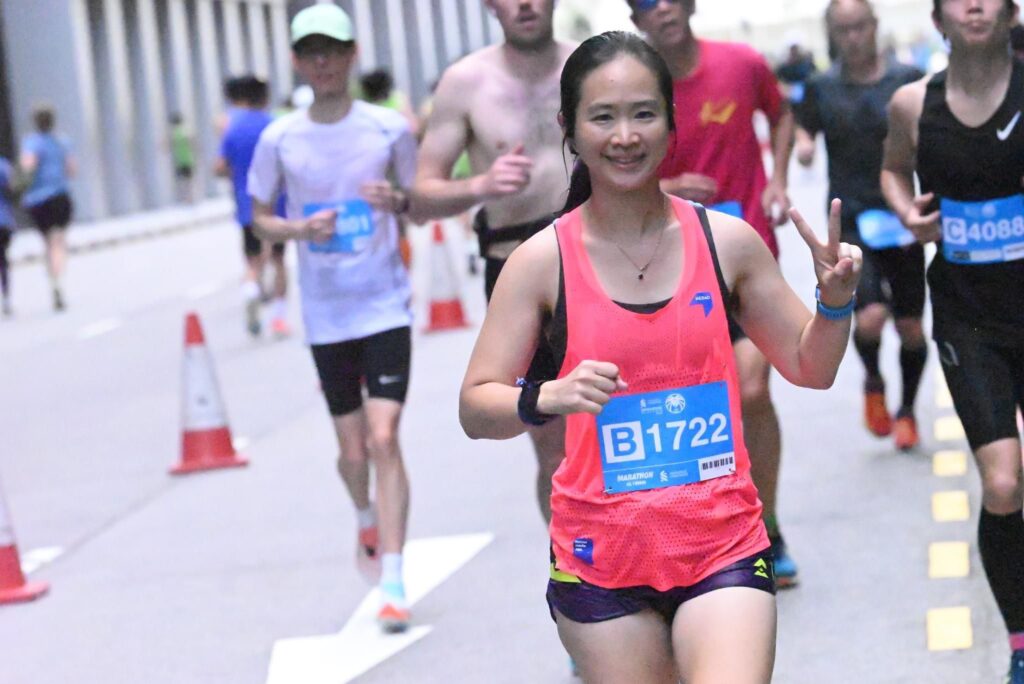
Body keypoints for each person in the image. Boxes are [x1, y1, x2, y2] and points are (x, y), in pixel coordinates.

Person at [459, 31, 861, 683]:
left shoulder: (727, 242)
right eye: (603, 117)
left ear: (672, 123)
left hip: (723, 545)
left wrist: (834, 304)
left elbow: (810, 367)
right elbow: (476, 407)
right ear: (569, 128)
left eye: (643, 114)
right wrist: (548, 395)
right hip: (600, 561)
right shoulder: (540, 261)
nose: (625, 136)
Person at [247, 4, 419, 634]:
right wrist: (297, 229)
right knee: (351, 450)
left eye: (333, 49)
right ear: (297, 61)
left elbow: (419, 200)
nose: (323, 62)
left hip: (384, 303)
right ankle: (364, 517)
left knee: (383, 436)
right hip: (325, 314)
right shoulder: (279, 138)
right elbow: (259, 216)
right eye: (311, 52)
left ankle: (393, 579)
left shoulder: (388, 128)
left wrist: (397, 200)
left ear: (351, 55)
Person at [628, 0, 801, 586]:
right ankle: (704, 536)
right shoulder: (633, 86)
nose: (662, 9)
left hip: (744, 258)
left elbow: (781, 114)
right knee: (690, 409)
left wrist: (778, 181)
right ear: (636, 19)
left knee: (751, 390)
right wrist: (667, 185)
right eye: (646, 3)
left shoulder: (741, 63)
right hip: (667, 268)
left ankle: (768, 527)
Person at [881, 1, 1024, 680]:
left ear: (1010, 11)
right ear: (938, 16)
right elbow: (892, 169)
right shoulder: (913, 105)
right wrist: (907, 213)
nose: (974, 4)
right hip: (970, 318)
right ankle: (1020, 646)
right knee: (1003, 482)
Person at [414, 0, 575, 525]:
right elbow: (421, 196)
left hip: (602, 264)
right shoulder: (466, 82)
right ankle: (572, 565)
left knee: (627, 428)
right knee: (555, 449)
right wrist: (481, 184)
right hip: (517, 274)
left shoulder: (589, 65)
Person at [795, 0, 927, 450]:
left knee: (910, 327)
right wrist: (804, 146)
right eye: (843, 30)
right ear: (832, 34)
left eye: (859, 27)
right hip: (851, 218)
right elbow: (804, 126)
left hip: (901, 214)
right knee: (869, 318)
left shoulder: (907, 79)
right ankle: (873, 382)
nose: (852, 37)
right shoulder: (821, 86)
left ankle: (907, 411)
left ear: (874, 26)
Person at [215, 75, 290, 338]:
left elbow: (220, 167)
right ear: (265, 97)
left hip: (247, 206)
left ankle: (250, 289)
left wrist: (238, 174)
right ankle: (279, 318)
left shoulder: (233, 129)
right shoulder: (276, 127)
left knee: (253, 260)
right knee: (279, 261)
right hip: (277, 206)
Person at [20, 105, 75, 312]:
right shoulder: (62, 142)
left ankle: (53, 280)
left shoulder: (31, 142)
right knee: (58, 240)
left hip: (37, 200)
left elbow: (27, 166)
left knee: (48, 242)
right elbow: (71, 170)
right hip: (59, 196)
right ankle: (57, 280)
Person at [0, 154, 15, 317]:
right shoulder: (3, 165)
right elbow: (13, 188)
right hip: (3, 221)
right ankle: (6, 296)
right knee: (3, 261)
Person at [169, 112, 195, 204]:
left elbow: (167, 145)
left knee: (183, 180)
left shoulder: (173, 134)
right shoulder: (186, 131)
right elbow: (192, 143)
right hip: (188, 159)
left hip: (179, 161)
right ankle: (191, 198)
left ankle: (185, 198)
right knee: (189, 180)